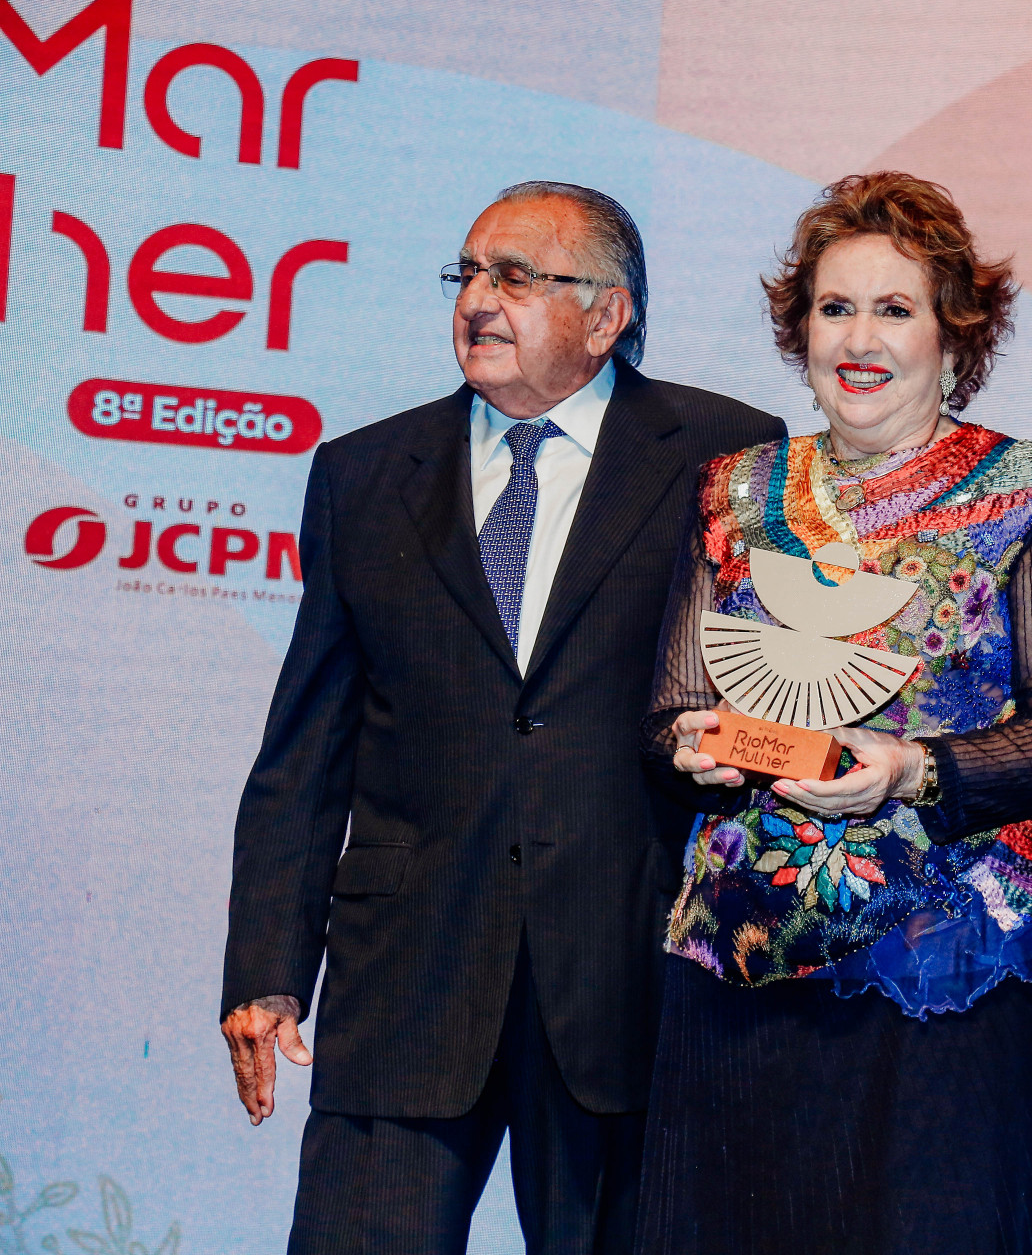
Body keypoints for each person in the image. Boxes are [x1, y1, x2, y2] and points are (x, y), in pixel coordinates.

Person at [218, 180, 785, 1252]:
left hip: (627, 977)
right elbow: (305, 752)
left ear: (607, 315)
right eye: (468, 274)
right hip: (405, 978)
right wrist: (265, 967)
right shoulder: (364, 473)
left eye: (516, 277)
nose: (479, 299)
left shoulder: (728, 457)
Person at [638, 170, 1032, 1255]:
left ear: (955, 331)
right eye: (834, 306)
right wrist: (691, 745)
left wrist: (912, 768)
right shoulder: (731, 488)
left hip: (950, 960)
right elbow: (670, 702)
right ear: (799, 327)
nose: (859, 336)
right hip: (742, 951)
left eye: (894, 308)